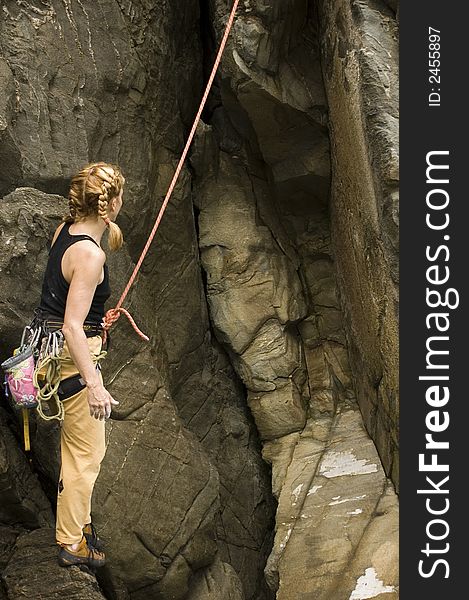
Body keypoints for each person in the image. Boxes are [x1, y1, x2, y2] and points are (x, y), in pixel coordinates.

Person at [36, 162, 124, 569]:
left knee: (81, 447)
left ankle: (81, 523)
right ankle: (72, 542)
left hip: (50, 349)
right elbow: (72, 325)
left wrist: (96, 322)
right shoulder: (90, 253)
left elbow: (66, 308)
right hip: (70, 358)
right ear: (112, 203)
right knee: (86, 453)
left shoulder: (64, 231)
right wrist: (95, 385)